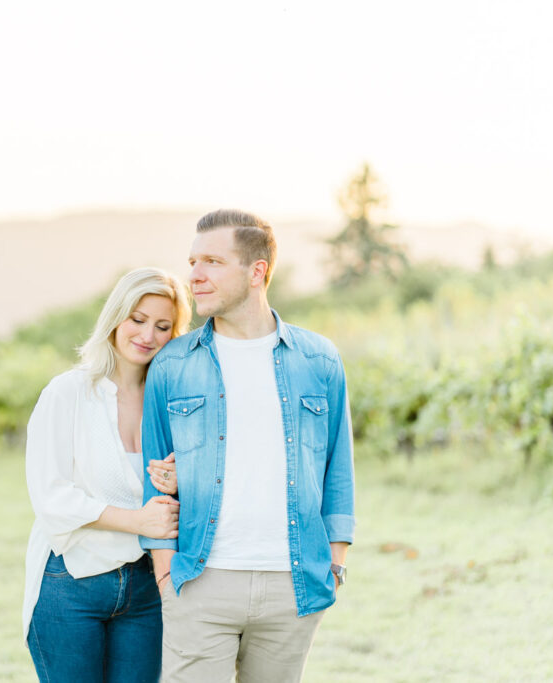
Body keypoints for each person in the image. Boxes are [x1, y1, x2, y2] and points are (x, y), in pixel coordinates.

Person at [140, 210, 356, 682]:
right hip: (200, 581)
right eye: (193, 261)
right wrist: (165, 577)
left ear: (257, 271)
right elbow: (152, 480)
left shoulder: (318, 360)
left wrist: (335, 566)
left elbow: (338, 470)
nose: (194, 275)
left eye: (213, 261)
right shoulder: (173, 364)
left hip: (292, 585)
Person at [23, 267, 193, 683]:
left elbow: (193, 493)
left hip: (145, 585)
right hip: (71, 581)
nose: (147, 335)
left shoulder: (174, 405)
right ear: (115, 317)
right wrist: (137, 520)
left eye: (162, 326)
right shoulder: (68, 393)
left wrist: (179, 484)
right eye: (137, 319)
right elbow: (51, 497)